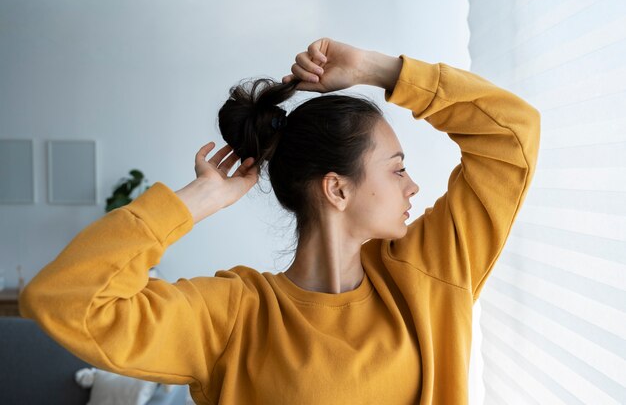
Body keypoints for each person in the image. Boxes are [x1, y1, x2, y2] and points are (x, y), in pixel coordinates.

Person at [19, 38, 540, 404]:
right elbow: (64, 299)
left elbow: (512, 134)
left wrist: (382, 70)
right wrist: (197, 199)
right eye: (398, 168)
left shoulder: (429, 272)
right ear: (337, 188)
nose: (412, 186)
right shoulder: (234, 316)